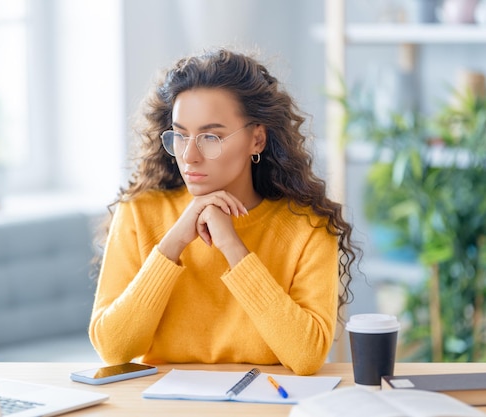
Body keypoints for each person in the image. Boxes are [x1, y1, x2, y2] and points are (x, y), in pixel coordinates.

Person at [89, 48, 358, 376]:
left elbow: (306, 357)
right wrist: (173, 243)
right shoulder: (138, 214)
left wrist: (233, 246)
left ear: (257, 139)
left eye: (210, 137)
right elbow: (114, 350)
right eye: (180, 135)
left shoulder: (308, 227)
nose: (189, 156)